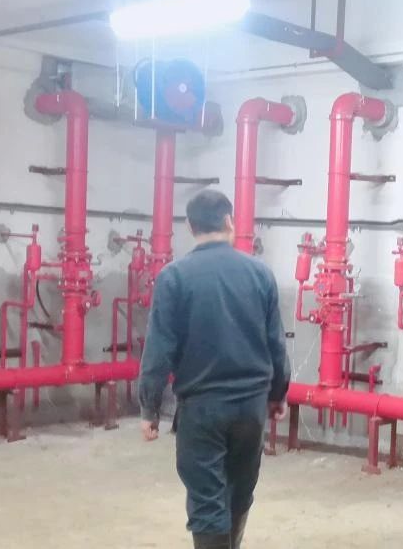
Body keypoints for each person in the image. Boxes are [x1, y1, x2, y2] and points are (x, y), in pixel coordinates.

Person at [138, 189, 290, 549]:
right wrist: (277, 394)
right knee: (240, 490)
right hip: (251, 407)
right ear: (229, 221)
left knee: (207, 499)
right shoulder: (260, 274)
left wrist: (149, 408)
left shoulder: (174, 277)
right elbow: (275, 343)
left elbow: (159, 349)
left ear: (190, 227)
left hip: (202, 408)